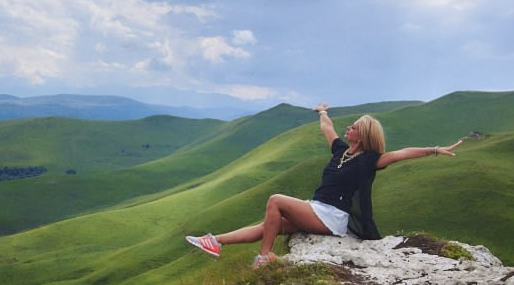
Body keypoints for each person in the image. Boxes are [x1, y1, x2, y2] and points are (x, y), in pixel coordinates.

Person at [186, 104, 463, 267]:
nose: (348, 129)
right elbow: (327, 129)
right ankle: (214, 241)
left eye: (353, 127)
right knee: (267, 226)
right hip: (316, 208)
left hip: (332, 217)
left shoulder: (370, 160)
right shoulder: (341, 150)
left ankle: (264, 258)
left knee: (276, 200)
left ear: (363, 135)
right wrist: (322, 111)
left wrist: (435, 149)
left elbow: (402, 153)